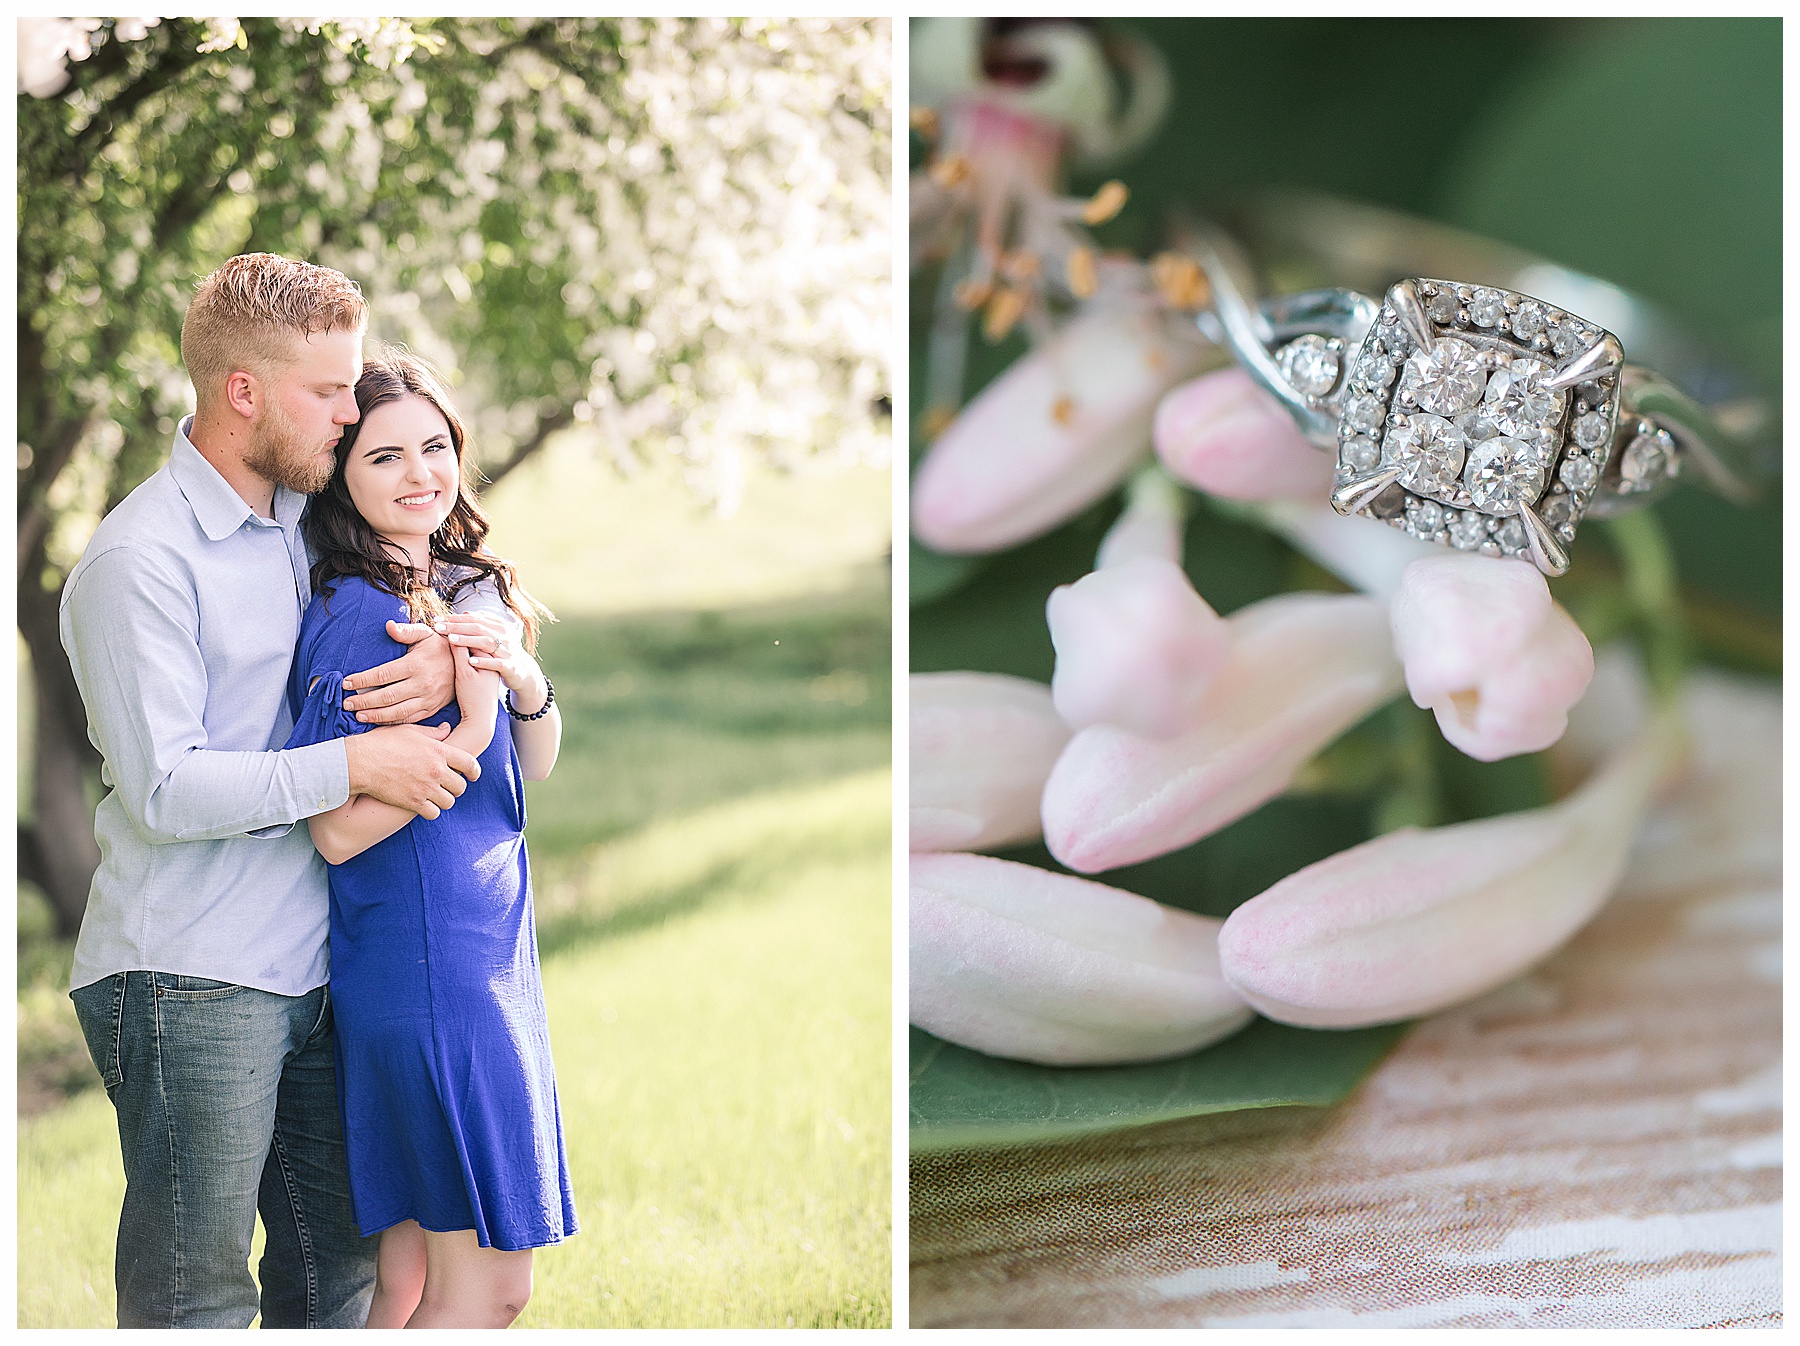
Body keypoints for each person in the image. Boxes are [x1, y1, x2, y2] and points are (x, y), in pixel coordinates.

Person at [60, 254, 508, 1328]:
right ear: (242, 393)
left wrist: (473, 659)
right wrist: (357, 765)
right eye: (329, 390)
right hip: (188, 974)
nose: (353, 414)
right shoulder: (140, 561)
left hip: (320, 967)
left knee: (337, 1284)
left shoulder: (305, 533)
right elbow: (164, 785)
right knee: (194, 1297)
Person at [283, 349, 577, 1328]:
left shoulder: (453, 590)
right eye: (384, 457)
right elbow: (335, 829)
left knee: (406, 1284)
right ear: (341, 477)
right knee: (490, 1287)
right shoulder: (364, 619)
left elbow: (532, 770)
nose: (420, 474)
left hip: (479, 953)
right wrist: (466, 731)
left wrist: (518, 684)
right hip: (429, 969)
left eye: (435, 446)